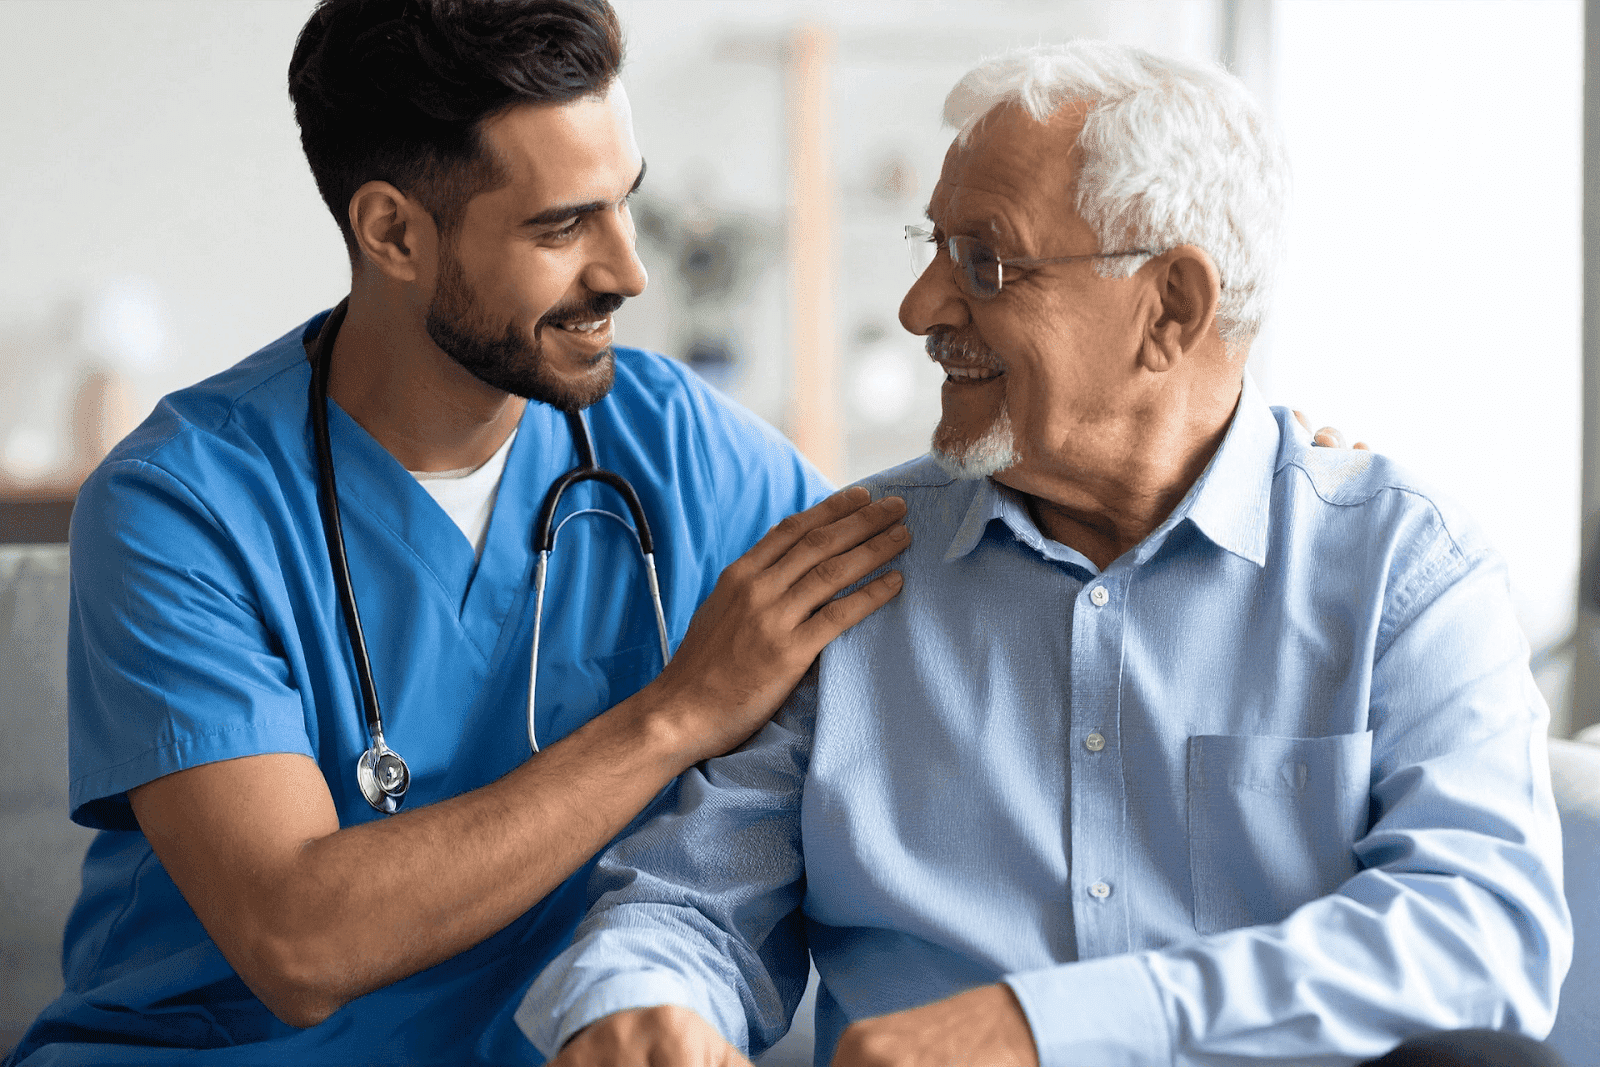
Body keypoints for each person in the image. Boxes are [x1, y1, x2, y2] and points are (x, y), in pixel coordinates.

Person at [518, 41, 1572, 1067]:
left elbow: (1478, 935)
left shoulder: (1396, 566)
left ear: (1170, 308)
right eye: (928, 247)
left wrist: (1042, 1028)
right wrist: (639, 996)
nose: (920, 308)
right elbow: (696, 905)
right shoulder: (854, 562)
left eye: (984, 261)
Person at [3, 2, 916, 1064]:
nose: (629, 270)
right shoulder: (181, 505)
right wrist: (675, 713)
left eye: (627, 203)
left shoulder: (683, 451)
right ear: (392, 231)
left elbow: (935, 633)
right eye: (562, 225)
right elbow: (299, 940)